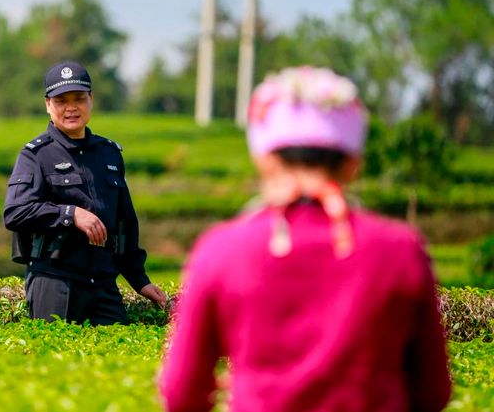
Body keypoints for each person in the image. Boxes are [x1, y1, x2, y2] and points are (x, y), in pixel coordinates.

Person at [159, 67, 451, 412]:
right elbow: (433, 391)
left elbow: (181, 394)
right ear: (352, 163)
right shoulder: (401, 249)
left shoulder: (221, 250)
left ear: (264, 158)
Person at [3, 61, 166, 325]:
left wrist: (139, 280)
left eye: (79, 98)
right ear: (48, 105)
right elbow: (15, 212)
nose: (71, 108)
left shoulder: (109, 153)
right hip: (55, 280)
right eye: (61, 100)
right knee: (54, 361)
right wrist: (71, 214)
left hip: (102, 283)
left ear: (91, 100)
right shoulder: (36, 154)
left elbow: (124, 223)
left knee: (117, 359)